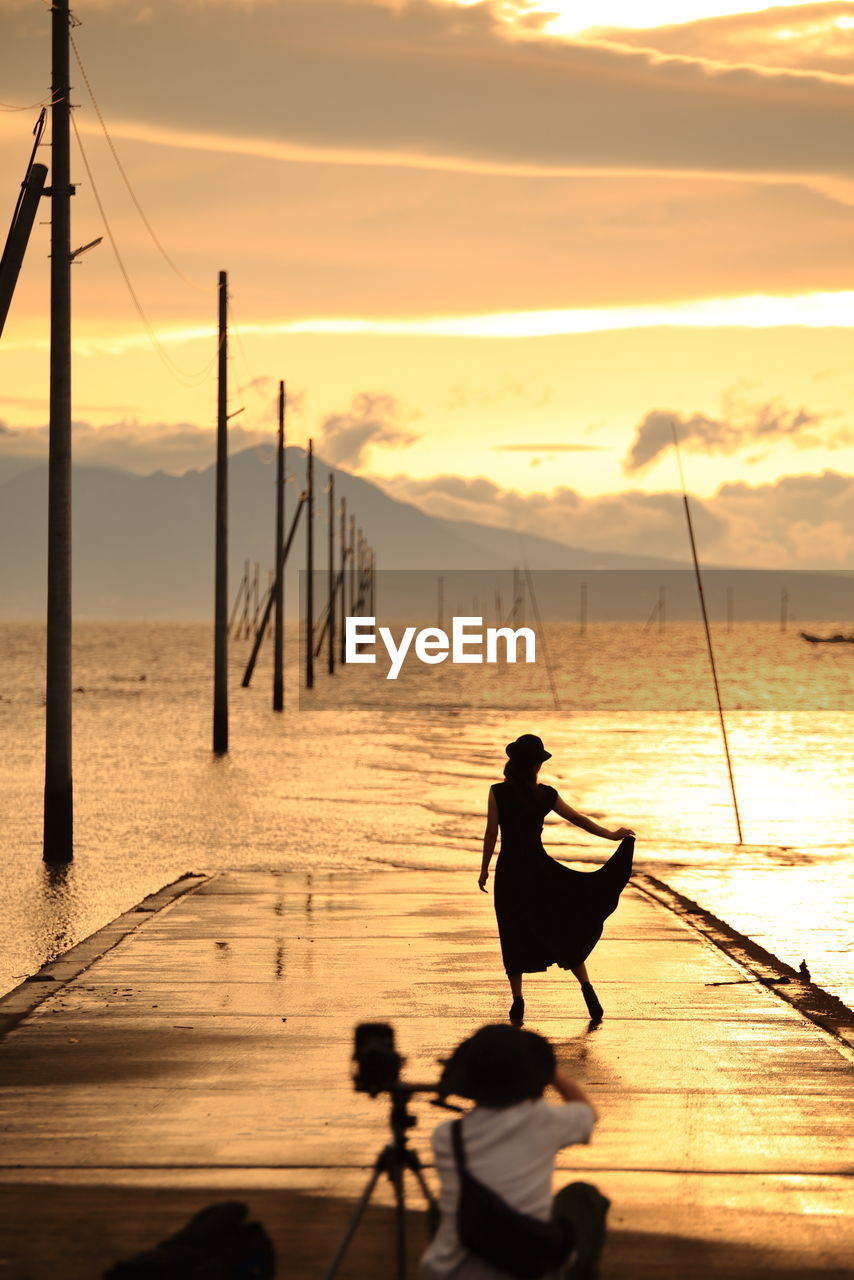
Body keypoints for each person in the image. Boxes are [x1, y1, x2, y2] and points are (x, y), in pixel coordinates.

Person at [420, 1024, 609, 1280]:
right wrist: (553, 1073)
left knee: (443, 1205)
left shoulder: (445, 1137)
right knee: (583, 1196)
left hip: (451, 1273)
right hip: (529, 1269)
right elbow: (588, 1113)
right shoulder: (544, 1121)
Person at [479, 735, 634, 1025]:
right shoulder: (546, 795)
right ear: (536, 765)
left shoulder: (498, 792)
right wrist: (612, 834)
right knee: (560, 928)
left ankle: (517, 1001)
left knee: (512, 931)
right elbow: (579, 820)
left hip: (511, 872)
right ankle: (587, 988)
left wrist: (484, 868)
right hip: (540, 870)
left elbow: (491, 834)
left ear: (513, 762)